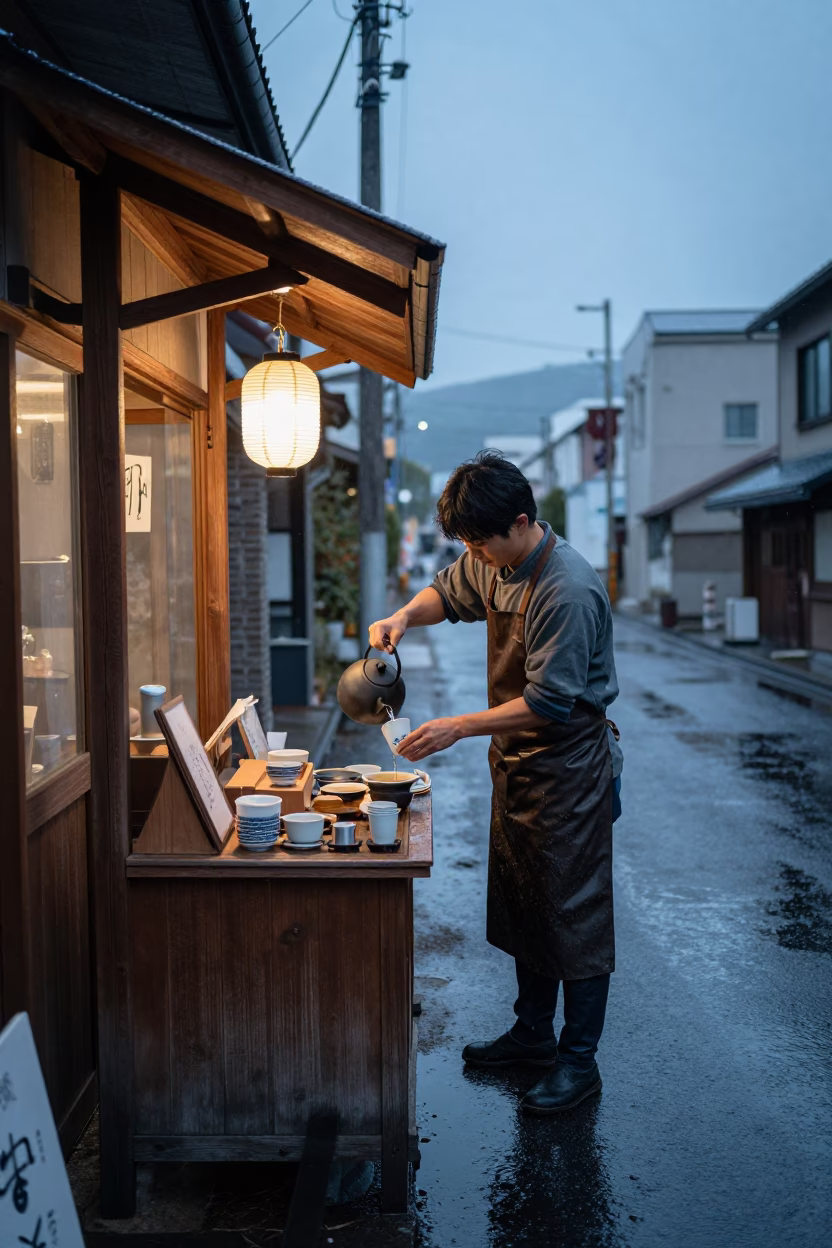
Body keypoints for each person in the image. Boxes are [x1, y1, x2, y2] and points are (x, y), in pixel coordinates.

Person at [369, 451, 622, 1114]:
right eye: (467, 545)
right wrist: (400, 617)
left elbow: (551, 702)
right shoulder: (494, 562)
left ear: (520, 521)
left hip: (569, 769)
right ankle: (533, 1035)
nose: (474, 556)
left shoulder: (564, 588)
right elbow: (447, 591)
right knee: (525, 900)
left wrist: (458, 727)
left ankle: (578, 1062)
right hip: (518, 766)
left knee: (576, 914)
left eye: (481, 542)